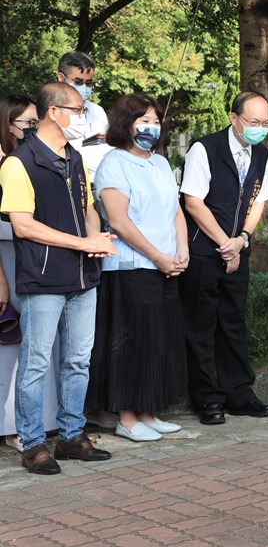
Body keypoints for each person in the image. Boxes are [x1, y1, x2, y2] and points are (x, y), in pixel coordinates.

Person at [0, 82, 117, 474]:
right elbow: (23, 226)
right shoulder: (19, 163)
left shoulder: (76, 159)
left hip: (83, 278)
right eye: (78, 110)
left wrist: (95, 237)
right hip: (44, 278)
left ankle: (70, 436)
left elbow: (88, 208)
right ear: (55, 112)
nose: (83, 118)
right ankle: (33, 445)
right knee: (35, 364)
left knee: (78, 361)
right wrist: (81, 243)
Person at [84, 93, 188, 442]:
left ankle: (148, 410)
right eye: (143, 121)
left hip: (166, 265)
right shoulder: (114, 163)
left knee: (159, 340)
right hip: (131, 267)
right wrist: (157, 256)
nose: (150, 127)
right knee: (131, 342)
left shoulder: (159, 162)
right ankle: (126, 417)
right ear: (125, 124)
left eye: (156, 121)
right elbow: (119, 221)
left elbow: (175, 210)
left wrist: (181, 249)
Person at [179, 90, 268, 425]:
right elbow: (193, 201)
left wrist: (243, 240)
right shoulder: (204, 149)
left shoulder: (261, 154)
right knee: (201, 326)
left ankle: (240, 393)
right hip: (205, 251)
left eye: (265, 122)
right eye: (253, 122)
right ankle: (208, 399)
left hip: (238, 248)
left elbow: (258, 201)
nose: (260, 128)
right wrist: (225, 244)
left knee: (234, 324)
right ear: (234, 119)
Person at [0, 95, 61, 454]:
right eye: (27, 123)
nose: (35, 128)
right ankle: (13, 426)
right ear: (9, 125)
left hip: (36, 255)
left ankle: (42, 420)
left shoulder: (35, 159)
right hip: (6, 256)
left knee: (39, 344)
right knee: (12, 343)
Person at [56, 51, 111, 180]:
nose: (84, 87)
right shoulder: (50, 113)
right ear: (61, 78)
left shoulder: (97, 112)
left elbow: (107, 149)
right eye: (78, 81)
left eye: (89, 83)